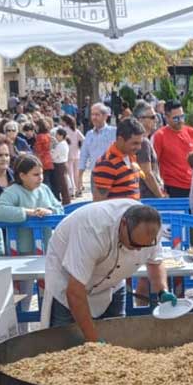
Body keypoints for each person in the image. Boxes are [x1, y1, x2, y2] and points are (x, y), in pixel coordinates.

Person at [41, 201, 171, 339]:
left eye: (145, 246)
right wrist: (93, 340)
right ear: (123, 224)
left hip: (112, 283)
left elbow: (155, 262)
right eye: (134, 244)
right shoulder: (93, 230)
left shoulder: (151, 228)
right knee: (66, 342)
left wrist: (162, 291)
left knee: (117, 338)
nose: (139, 249)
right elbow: (74, 292)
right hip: (68, 282)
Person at [153, 101, 193, 197]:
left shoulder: (191, 132)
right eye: (176, 118)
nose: (180, 121)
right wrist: (160, 190)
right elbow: (154, 164)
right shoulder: (160, 136)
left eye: (182, 117)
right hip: (172, 187)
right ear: (166, 117)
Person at [92, 118, 147, 200]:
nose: (139, 147)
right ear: (120, 140)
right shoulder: (107, 164)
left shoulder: (130, 156)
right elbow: (98, 202)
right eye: (135, 143)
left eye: (140, 143)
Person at [78, 103, 117, 192]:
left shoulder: (114, 132)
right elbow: (84, 155)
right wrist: (80, 176)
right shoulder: (89, 134)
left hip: (112, 174)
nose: (94, 118)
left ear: (105, 116)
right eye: (92, 114)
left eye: (97, 115)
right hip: (95, 174)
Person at [133, 103, 166, 198]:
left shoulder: (140, 140)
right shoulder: (143, 142)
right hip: (148, 197)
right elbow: (147, 174)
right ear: (140, 119)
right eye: (152, 117)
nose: (156, 120)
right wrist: (160, 196)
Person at [63, 116, 85, 198]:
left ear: (65, 121)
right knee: (76, 174)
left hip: (68, 154)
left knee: (70, 173)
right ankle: (79, 190)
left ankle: (72, 191)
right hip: (77, 153)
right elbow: (84, 139)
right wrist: (80, 147)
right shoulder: (76, 130)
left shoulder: (64, 130)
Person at [50, 126, 72, 205]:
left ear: (61, 136)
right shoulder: (63, 143)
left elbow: (54, 156)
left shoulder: (61, 144)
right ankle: (66, 200)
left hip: (59, 165)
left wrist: (51, 151)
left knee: (63, 184)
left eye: (57, 135)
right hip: (62, 164)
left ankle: (66, 201)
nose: (56, 137)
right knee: (63, 183)